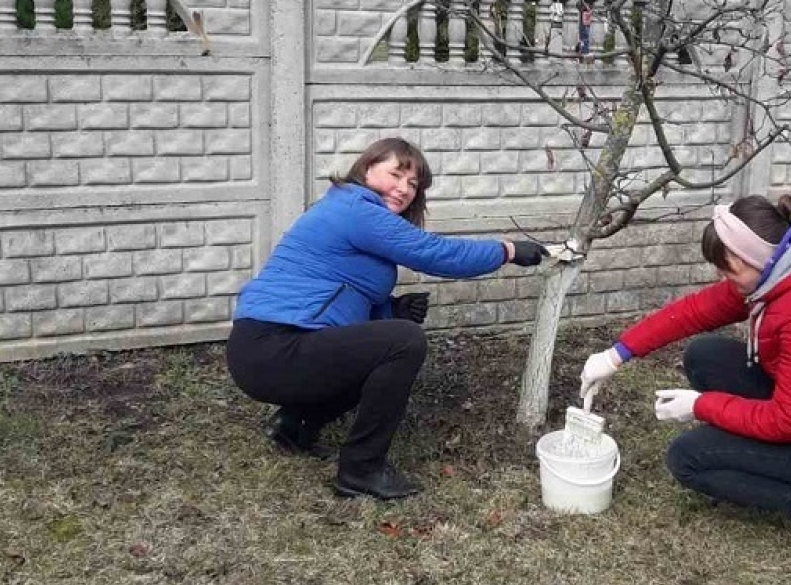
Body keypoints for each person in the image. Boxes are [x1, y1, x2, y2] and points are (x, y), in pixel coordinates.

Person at [578, 192, 791, 576]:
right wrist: (616, 354)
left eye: (729, 270)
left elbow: (787, 422)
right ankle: (748, 457)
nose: (723, 280)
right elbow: (697, 310)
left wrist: (699, 406)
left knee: (688, 458)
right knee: (705, 355)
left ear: (761, 259)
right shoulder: (786, 270)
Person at [226, 137, 549, 501]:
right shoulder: (354, 208)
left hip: (269, 349)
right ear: (366, 170)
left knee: (386, 343)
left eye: (413, 184)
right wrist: (504, 250)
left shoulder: (352, 212)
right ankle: (361, 470)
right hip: (274, 345)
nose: (404, 189)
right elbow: (433, 252)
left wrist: (391, 309)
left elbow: (343, 294)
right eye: (396, 175)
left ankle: (294, 426)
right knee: (404, 342)